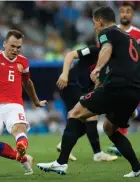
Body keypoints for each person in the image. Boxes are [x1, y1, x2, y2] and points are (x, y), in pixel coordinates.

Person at [37, 6, 140, 177]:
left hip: (118, 87)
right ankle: (137, 168)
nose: (94, 27)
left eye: (94, 23)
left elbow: (106, 48)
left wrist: (98, 67)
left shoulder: (107, 32)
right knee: (109, 128)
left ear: (100, 21)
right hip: (134, 91)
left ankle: (61, 163)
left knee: (75, 113)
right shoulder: (131, 39)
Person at [0, 29, 47, 175]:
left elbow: (27, 82)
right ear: (4, 43)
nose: (15, 50)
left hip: (14, 105)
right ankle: (23, 159)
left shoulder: (23, 61)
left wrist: (36, 102)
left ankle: (21, 146)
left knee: (18, 129)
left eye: (18, 47)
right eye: (12, 46)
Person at [55, 45, 117, 162]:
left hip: (82, 89)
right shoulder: (95, 50)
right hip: (71, 85)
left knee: (83, 124)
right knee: (90, 113)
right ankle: (98, 153)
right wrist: (64, 73)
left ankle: (64, 144)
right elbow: (70, 55)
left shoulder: (113, 60)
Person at [108, 2, 140, 156]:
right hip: (118, 76)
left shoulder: (138, 33)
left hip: (135, 76)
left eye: (128, 11)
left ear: (132, 15)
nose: (125, 14)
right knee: (122, 107)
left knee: (128, 106)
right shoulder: (113, 32)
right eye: (122, 11)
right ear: (118, 14)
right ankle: (121, 138)